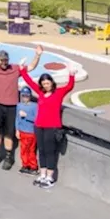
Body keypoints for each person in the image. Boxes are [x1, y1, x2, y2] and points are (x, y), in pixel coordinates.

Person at [18, 45, 75, 188]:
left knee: (50, 152)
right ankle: (42, 174)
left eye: (48, 83)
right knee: (41, 150)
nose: (46, 85)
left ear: (52, 83)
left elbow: (70, 86)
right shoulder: (41, 92)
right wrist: (22, 69)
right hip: (39, 126)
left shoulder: (58, 93)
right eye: (44, 84)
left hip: (52, 127)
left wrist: (71, 73)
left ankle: (50, 177)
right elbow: (29, 81)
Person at [16, 87, 39, 175]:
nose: (25, 97)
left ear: (30, 96)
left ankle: (33, 166)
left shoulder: (34, 106)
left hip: (31, 132)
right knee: (23, 149)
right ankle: (25, 165)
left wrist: (27, 116)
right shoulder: (19, 105)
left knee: (31, 150)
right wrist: (17, 130)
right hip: (22, 131)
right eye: (23, 96)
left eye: (27, 96)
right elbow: (17, 119)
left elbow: (37, 119)